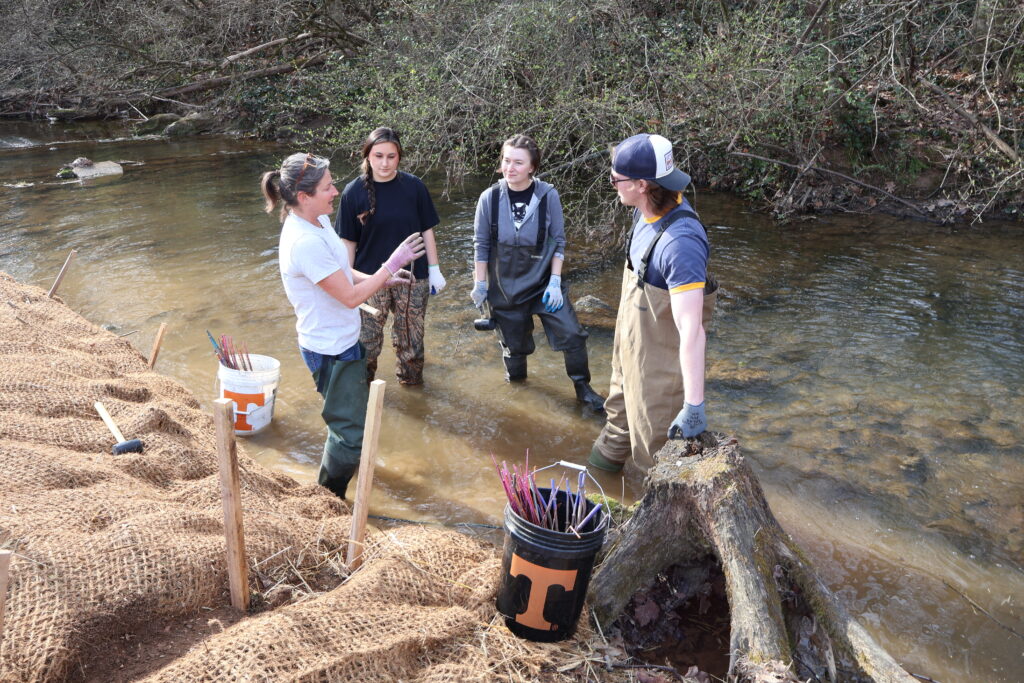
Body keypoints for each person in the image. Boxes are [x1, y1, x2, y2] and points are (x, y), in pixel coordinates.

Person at [261, 152, 425, 499]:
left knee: (352, 423)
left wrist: (382, 278)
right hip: (329, 350)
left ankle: (355, 478)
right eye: (327, 187)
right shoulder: (303, 241)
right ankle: (328, 500)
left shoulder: (318, 222)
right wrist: (389, 265)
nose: (335, 191)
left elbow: (340, 272)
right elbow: (350, 298)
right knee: (349, 436)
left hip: (343, 341)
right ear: (303, 197)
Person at [588, 134, 717, 473]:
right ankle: (597, 492)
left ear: (642, 184)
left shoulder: (681, 243)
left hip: (660, 374)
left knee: (654, 462)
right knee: (615, 430)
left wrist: (693, 404)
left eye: (616, 179)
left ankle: (645, 520)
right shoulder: (644, 213)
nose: (612, 183)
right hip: (629, 354)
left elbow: (692, 331)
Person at [470, 133, 605, 411]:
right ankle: (518, 394)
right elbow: (481, 245)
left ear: (532, 166)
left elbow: (558, 241)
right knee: (515, 348)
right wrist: (480, 284)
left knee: (572, 335)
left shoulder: (548, 196)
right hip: (505, 288)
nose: (510, 168)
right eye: (506, 161)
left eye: (518, 163)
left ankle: (583, 388)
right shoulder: (489, 199)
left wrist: (555, 281)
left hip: (544, 284)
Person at [334, 127, 445, 385]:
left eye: (391, 156)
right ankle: (362, 396)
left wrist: (434, 268)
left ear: (399, 157)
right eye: (378, 155)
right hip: (369, 280)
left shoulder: (414, 187)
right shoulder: (353, 192)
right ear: (367, 156)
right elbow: (348, 243)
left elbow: (427, 231)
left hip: (412, 277)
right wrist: (347, 281)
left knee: (411, 344)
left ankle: (413, 394)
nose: (385, 163)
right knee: (366, 345)